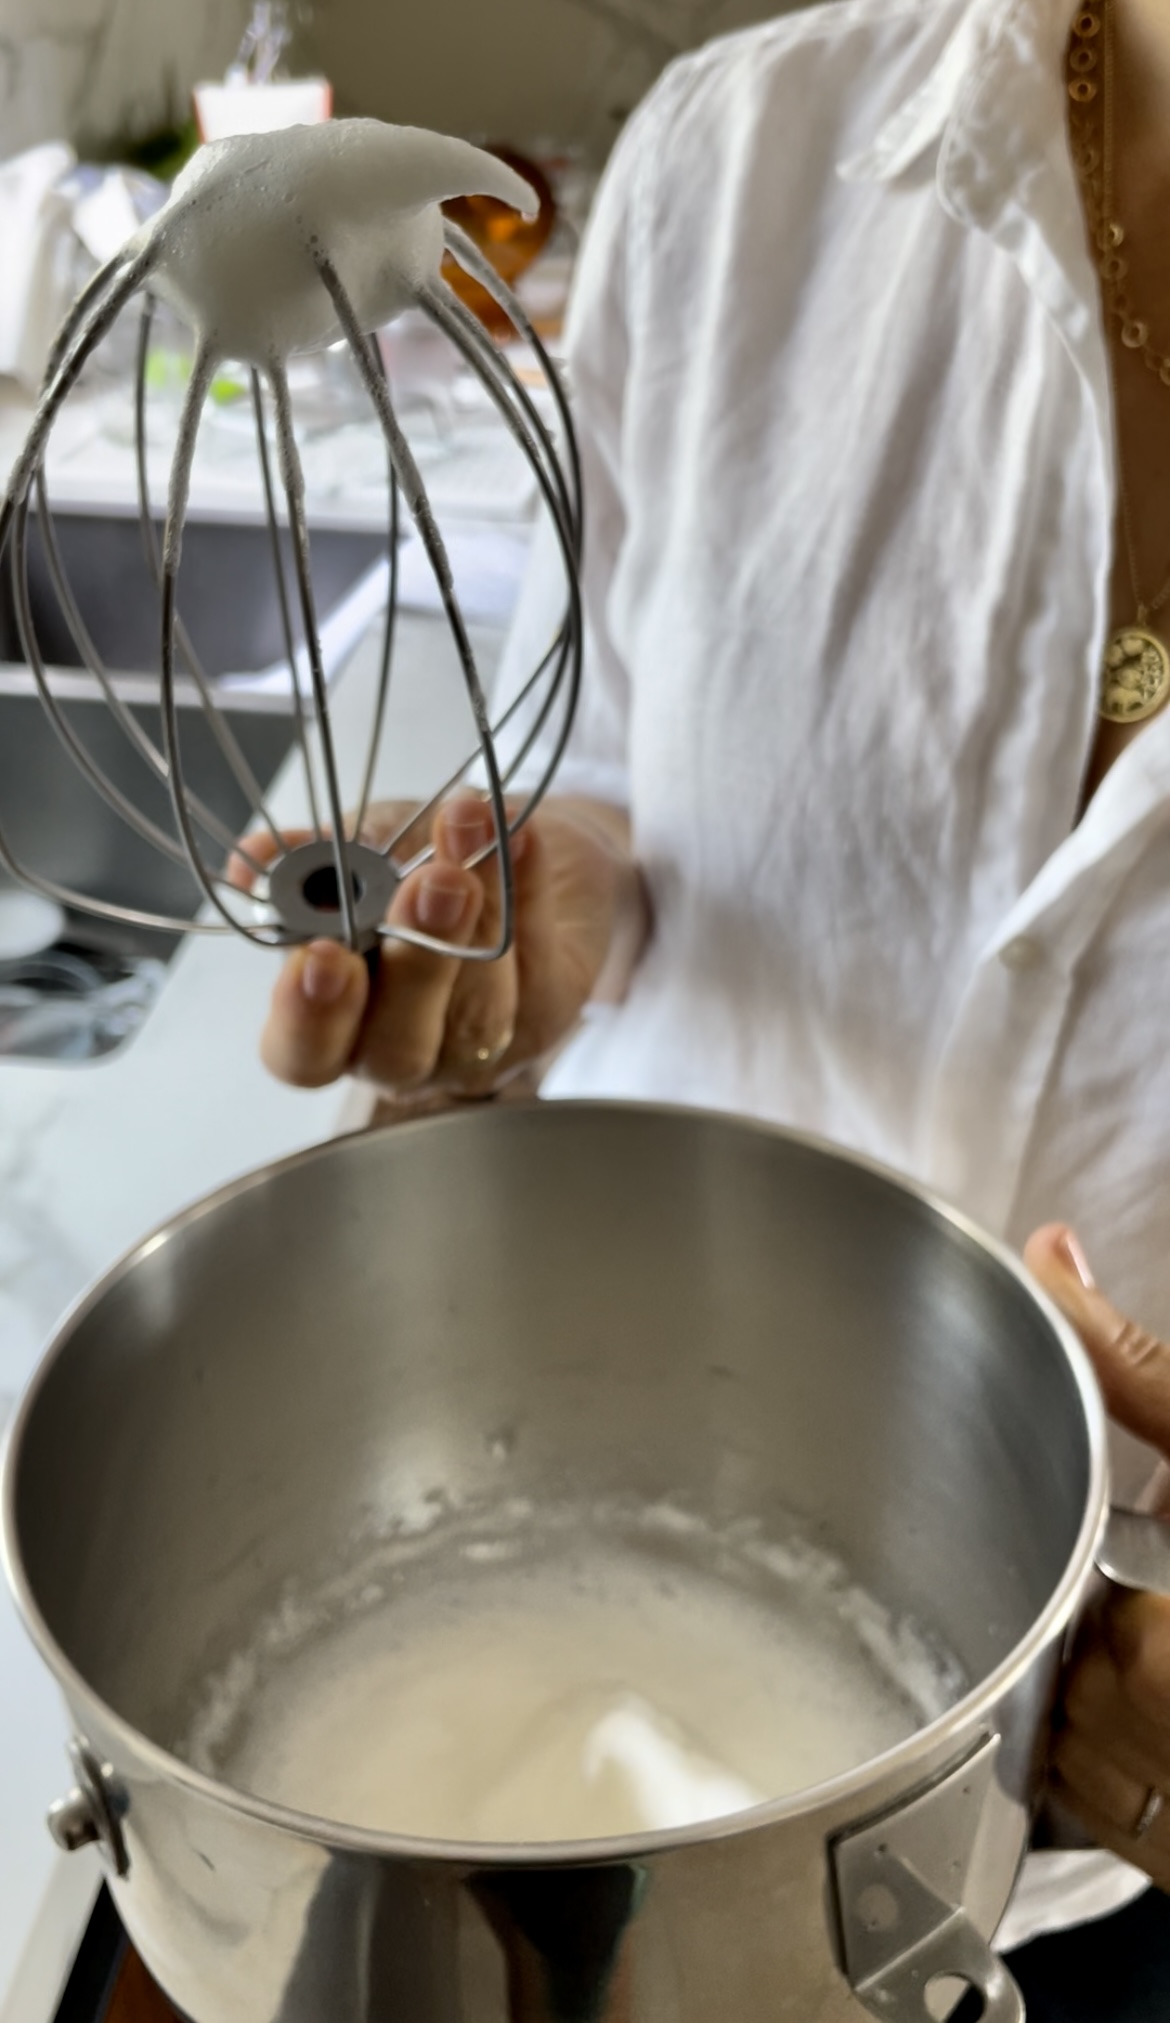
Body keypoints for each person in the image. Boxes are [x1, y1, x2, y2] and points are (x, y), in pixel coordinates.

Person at [256, 0, 1170, 2009]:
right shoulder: (742, 159)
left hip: (1104, 1857)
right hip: (566, 1676)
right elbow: (623, 761)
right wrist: (557, 909)